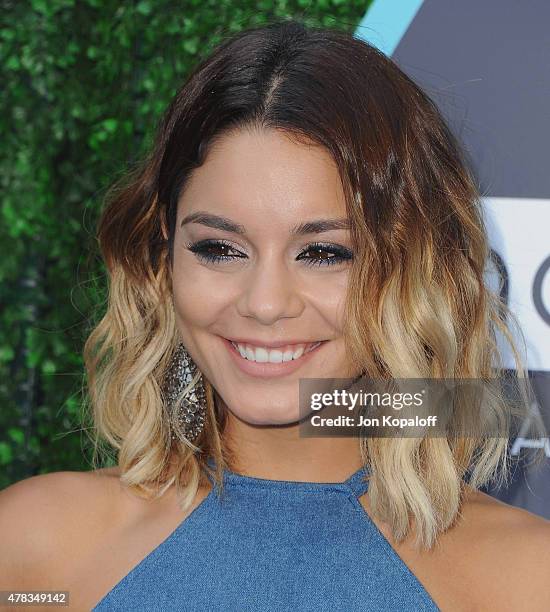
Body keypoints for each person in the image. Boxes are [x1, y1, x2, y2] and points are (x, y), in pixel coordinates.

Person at [1, 18, 549, 612]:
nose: (264, 304)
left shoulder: (523, 578)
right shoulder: (37, 547)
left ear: (412, 269)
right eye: (220, 248)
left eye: (323, 253)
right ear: (163, 251)